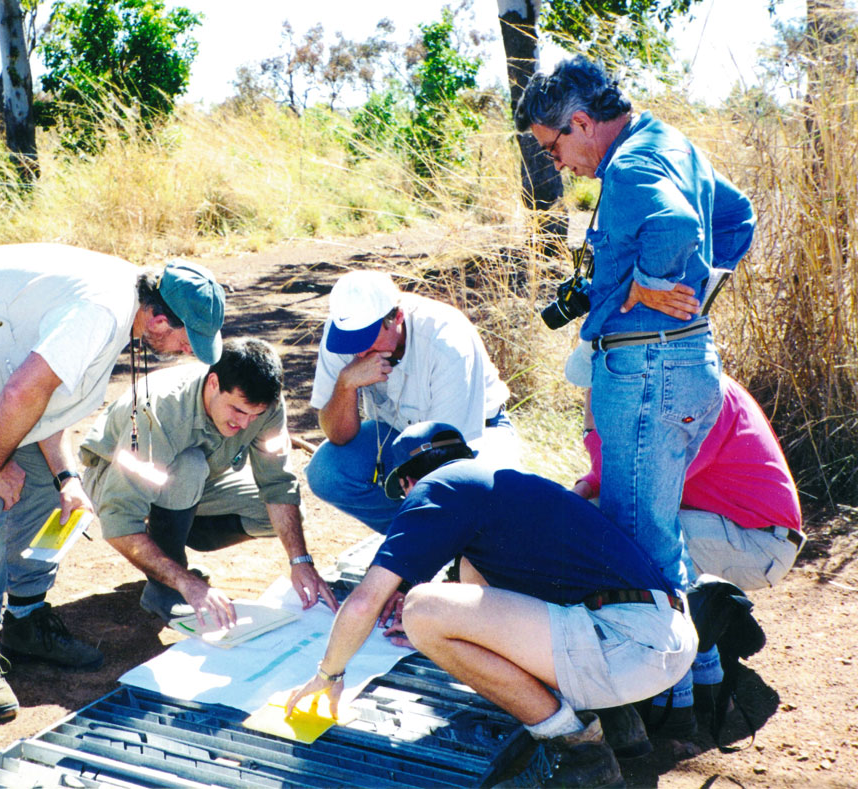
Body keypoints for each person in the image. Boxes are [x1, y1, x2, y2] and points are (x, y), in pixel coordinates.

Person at [0, 243, 226, 720]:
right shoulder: (102, 312)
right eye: (185, 339)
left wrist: (66, 476)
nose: (184, 351)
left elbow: (41, 394)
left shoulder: (122, 305)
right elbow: (22, 390)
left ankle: (27, 618)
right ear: (159, 321)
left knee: (42, 488)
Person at [515, 57, 754, 730]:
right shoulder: (671, 143)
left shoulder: (629, 166)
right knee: (655, 529)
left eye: (553, 145)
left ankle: (665, 699)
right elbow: (738, 217)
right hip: (679, 361)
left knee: (636, 540)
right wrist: (698, 291)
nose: (558, 162)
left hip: (647, 368)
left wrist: (648, 286)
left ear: (582, 122)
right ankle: (696, 681)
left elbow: (676, 224)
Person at [287, 422, 697, 788]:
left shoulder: (437, 487)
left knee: (421, 610)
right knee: (466, 573)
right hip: (665, 638)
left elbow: (363, 604)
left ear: (409, 484)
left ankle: (577, 751)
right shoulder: (506, 486)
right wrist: (464, 640)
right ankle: (621, 725)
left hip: (624, 648)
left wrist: (330, 673)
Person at [80, 337, 338, 626]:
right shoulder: (159, 412)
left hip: (190, 484)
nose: (245, 425)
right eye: (238, 410)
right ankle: (164, 588)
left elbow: (278, 484)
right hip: (113, 478)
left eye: (256, 415)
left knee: (280, 515)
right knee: (189, 466)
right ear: (213, 383)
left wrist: (300, 561)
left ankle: (175, 537)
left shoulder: (267, 407)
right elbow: (120, 519)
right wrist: (186, 582)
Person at [565, 341, 804, 591]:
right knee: (593, 519)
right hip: (735, 530)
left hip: (761, 543)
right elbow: (630, 466)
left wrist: (592, 429)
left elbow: (639, 488)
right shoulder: (680, 384)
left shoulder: (694, 395)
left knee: (622, 534)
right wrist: (584, 488)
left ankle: (677, 623)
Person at [305, 270, 519, 533]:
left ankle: (444, 543)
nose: (359, 352)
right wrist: (345, 384)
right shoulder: (340, 334)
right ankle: (415, 538)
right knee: (326, 472)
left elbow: (448, 457)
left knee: (480, 502)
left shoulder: (446, 339)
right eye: (352, 341)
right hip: (396, 433)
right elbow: (338, 435)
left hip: (474, 435)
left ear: (397, 317)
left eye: (367, 338)